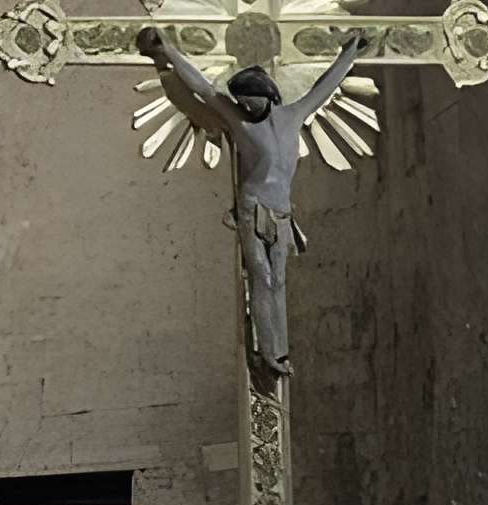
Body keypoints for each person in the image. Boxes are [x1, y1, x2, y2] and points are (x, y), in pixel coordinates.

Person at [134, 25, 371, 381]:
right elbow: (201, 87)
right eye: (242, 102)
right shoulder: (238, 120)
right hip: (252, 210)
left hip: (281, 213)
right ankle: (268, 353)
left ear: (268, 95)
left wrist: (350, 51)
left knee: (279, 282)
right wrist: (166, 51)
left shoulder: (294, 114)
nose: (245, 106)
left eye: (250, 101)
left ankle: (280, 349)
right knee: (261, 276)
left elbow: (326, 85)